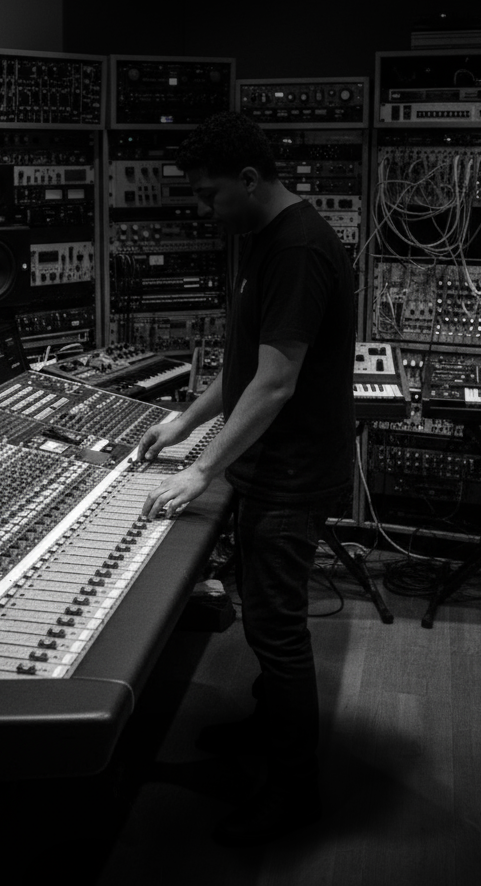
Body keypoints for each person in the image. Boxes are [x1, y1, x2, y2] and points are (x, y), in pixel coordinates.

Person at [137, 110, 356, 847]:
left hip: (291, 473)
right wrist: (183, 422)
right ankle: (268, 727)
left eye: (208, 195)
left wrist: (201, 469)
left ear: (251, 179)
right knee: (267, 620)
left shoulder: (297, 249)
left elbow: (275, 383)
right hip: (267, 463)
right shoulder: (266, 238)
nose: (203, 210)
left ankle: (296, 794)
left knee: (276, 627)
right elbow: (241, 373)